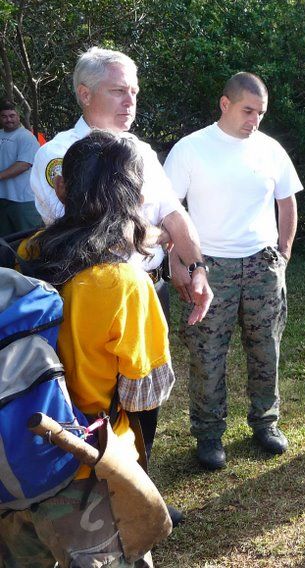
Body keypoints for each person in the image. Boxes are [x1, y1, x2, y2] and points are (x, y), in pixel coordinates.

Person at [28, 46, 210, 525]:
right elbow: (87, 231)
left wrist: (195, 266)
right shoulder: (58, 155)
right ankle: (97, 495)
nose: (131, 101)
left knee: (140, 406)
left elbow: (172, 213)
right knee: (94, 402)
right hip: (96, 294)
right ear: (85, 94)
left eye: (134, 91)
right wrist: (154, 241)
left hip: (143, 288)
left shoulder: (138, 150)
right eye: (118, 91)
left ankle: (137, 488)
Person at [2, 130, 173, 567]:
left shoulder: (26, 253)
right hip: (88, 472)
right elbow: (144, 395)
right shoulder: (125, 283)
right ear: (137, 197)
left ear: (61, 188)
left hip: (14, 462)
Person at [164, 72, 303, 470]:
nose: (254, 120)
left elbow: (287, 202)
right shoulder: (191, 149)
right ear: (225, 104)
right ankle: (209, 434)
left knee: (266, 349)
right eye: (247, 110)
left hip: (262, 265)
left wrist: (283, 253)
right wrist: (177, 262)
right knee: (207, 354)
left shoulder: (270, 150)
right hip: (209, 268)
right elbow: (168, 210)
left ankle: (266, 422)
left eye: (260, 113)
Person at [0, 99, 43, 236]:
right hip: (3, 199)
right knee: (6, 241)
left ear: (18, 117)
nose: (8, 119)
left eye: (12, 116)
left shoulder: (26, 137)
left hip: (23, 200)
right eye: (4, 116)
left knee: (28, 240)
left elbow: (23, 165)